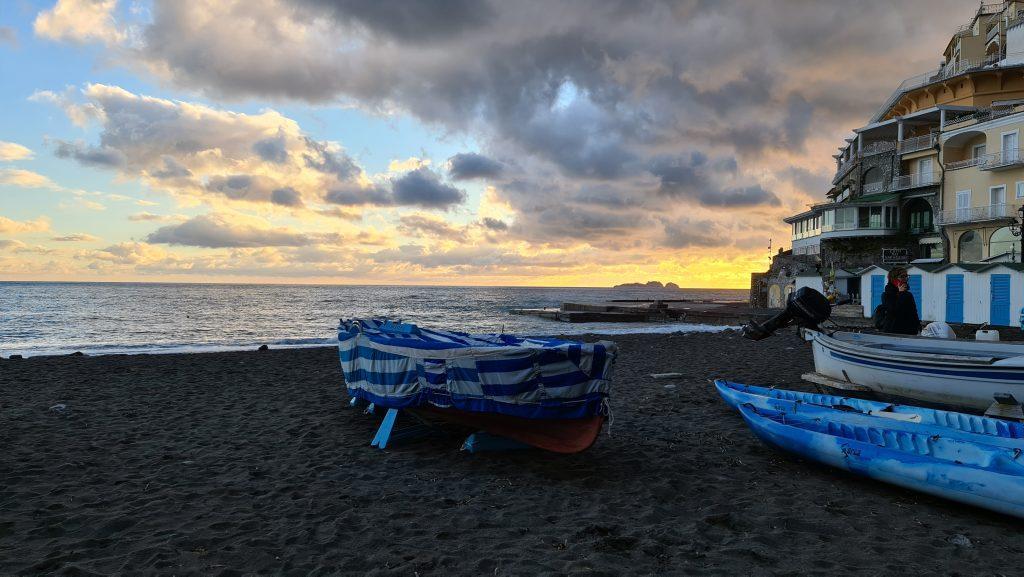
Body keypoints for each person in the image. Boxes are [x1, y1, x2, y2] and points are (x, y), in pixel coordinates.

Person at [881, 267, 920, 335]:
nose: (906, 279)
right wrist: (901, 294)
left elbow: (914, 312)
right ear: (894, 279)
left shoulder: (908, 295)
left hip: (910, 332)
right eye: (902, 276)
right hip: (893, 332)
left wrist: (918, 326)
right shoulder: (886, 295)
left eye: (907, 276)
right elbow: (893, 310)